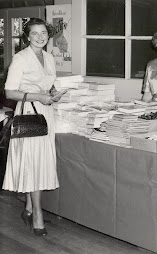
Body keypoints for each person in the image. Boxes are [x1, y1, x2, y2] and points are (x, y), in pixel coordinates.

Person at [2, 18, 63, 236]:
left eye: (43, 33)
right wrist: (39, 96)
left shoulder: (48, 57)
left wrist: (55, 93)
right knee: (33, 162)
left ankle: (28, 207)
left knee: (37, 161)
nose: (40, 37)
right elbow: (9, 92)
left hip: (46, 113)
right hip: (29, 113)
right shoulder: (20, 58)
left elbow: (48, 84)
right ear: (27, 36)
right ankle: (37, 214)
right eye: (35, 33)